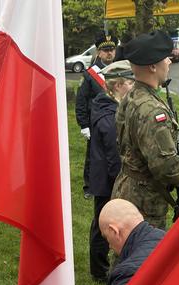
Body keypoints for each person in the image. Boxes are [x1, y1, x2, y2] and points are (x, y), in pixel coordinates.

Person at [111, 31, 179, 230]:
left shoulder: (132, 96)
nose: (169, 62)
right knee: (143, 256)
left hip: (128, 187)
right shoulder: (152, 110)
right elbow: (165, 167)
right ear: (153, 66)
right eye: (165, 58)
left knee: (128, 252)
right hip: (144, 201)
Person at [88, 60, 134, 283]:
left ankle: (98, 266)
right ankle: (99, 270)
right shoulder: (110, 115)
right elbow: (114, 155)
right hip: (107, 179)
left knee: (99, 221)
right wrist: (121, 180)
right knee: (102, 224)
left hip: (102, 176)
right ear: (117, 86)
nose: (132, 87)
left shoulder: (106, 106)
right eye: (128, 83)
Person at [75, 32, 119, 199]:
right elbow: (81, 101)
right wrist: (84, 125)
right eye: (105, 50)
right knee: (93, 155)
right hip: (96, 122)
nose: (109, 53)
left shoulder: (119, 70)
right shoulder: (89, 75)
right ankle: (89, 186)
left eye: (112, 50)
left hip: (116, 120)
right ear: (99, 53)